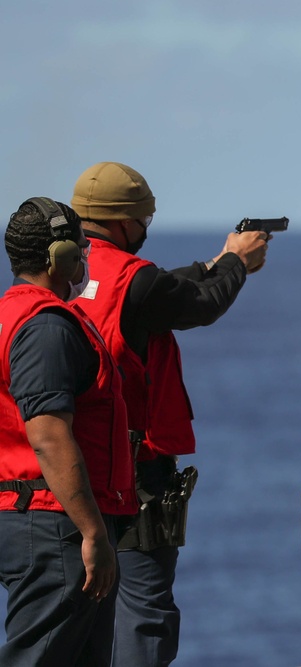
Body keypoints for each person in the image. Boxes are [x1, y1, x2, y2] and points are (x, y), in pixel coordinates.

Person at [69, 162, 269, 667]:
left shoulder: (64, 274)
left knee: (74, 612)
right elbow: (199, 304)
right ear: (123, 223)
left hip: (64, 468)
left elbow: (157, 292)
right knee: (144, 612)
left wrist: (215, 261)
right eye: (143, 220)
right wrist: (238, 264)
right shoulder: (136, 281)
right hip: (132, 474)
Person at [0, 197, 137, 666]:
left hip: (36, 516)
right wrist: (92, 532)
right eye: (81, 248)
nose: (85, 258)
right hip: (54, 525)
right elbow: (49, 436)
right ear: (59, 258)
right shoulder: (46, 329)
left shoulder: (12, 316)